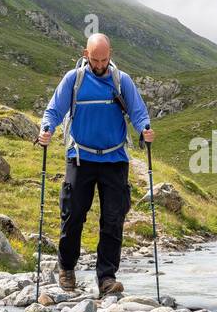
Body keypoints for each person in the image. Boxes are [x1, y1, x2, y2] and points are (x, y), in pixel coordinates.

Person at [38, 33, 153, 295]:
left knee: (113, 219)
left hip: (115, 159)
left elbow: (138, 111)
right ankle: (66, 269)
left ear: (110, 53)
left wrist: (145, 129)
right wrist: (46, 129)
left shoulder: (121, 80)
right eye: (95, 59)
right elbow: (53, 110)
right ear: (85, 54)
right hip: (81, 158)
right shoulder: (74, 80)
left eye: (104, 59)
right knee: (73, 215)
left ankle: (107, 278)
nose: (100, 65)